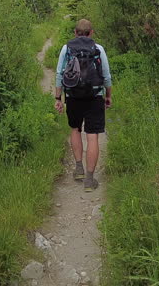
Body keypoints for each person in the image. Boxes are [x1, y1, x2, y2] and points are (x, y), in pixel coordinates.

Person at [54, 19, 112, 192]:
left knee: (75, 129)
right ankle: (89, 180)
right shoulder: (98, 49)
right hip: (95, 96)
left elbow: (59, 74)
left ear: (75, 32)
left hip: (73, 96)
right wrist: (108, 95)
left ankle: (79, 168)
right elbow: (106, 76)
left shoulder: (66, 48)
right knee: (92, 136)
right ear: (91, 33)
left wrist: (58, 98)